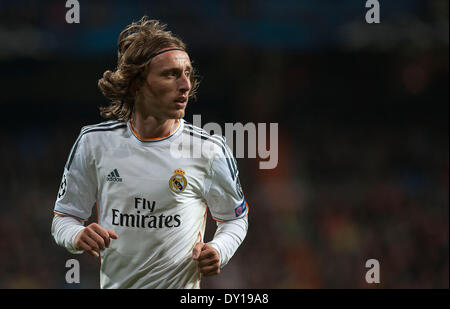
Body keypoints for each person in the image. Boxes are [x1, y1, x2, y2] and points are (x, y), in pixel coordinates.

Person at [51, 16, 249, 289]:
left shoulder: (209, 149)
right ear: (137, 84)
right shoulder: (94, 143)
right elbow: (64, 218)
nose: (185, 85)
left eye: (188, 73)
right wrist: (76, 235)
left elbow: (235, 218)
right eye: (170, 74)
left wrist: (220, 250)